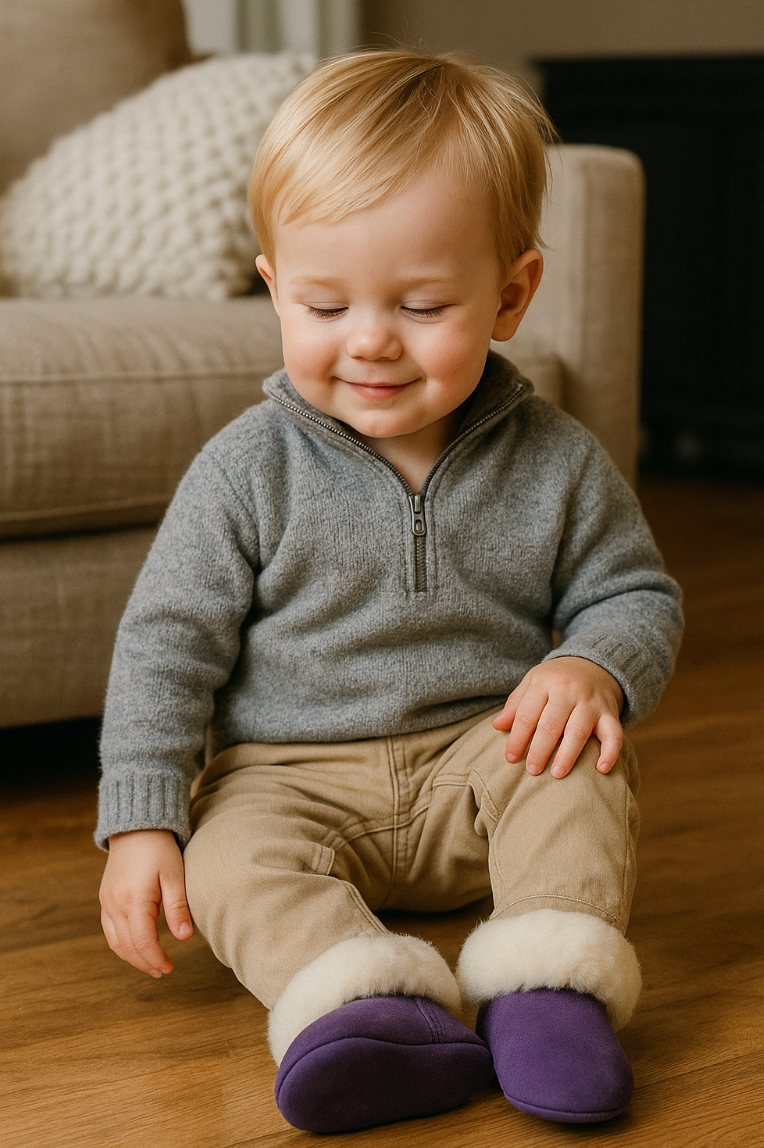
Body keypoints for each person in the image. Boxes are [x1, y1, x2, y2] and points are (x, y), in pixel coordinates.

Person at [97, 50, 683, 1134]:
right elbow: (164, 647)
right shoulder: (247, 469)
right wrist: (141, 821)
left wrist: (589, 662)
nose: (367, 338)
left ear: (509, 294)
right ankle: (362, 1005)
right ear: (274, 286)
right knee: (230, 854)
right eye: (323, 303)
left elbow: (634, 592)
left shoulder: (554, 459)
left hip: (478, 754)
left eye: (420, 304)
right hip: (291, 779)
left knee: (581, 766)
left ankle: (545, 988)